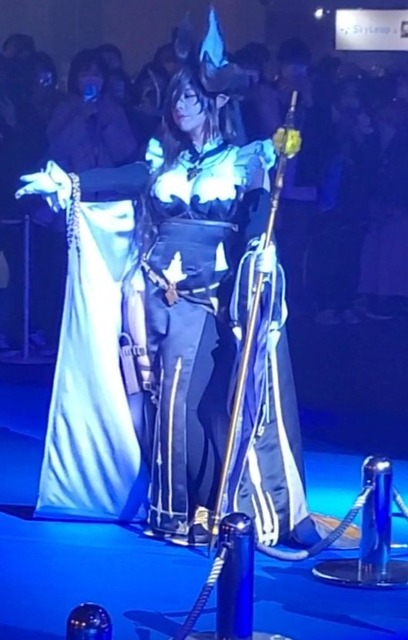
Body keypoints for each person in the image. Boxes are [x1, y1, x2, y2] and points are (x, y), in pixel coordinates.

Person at [16, 10, 320, 548]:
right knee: (159, 401)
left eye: (190, 98)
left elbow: (257, 217)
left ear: (214, 103)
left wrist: (261, 250)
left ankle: (186, 511)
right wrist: (69, 181)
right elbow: (126, 177)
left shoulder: (243, 161)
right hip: (152, 292)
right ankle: (190, 506)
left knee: (183, 399)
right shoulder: (164, 160)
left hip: (204, 298)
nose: (179, 107)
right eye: (176, 99)